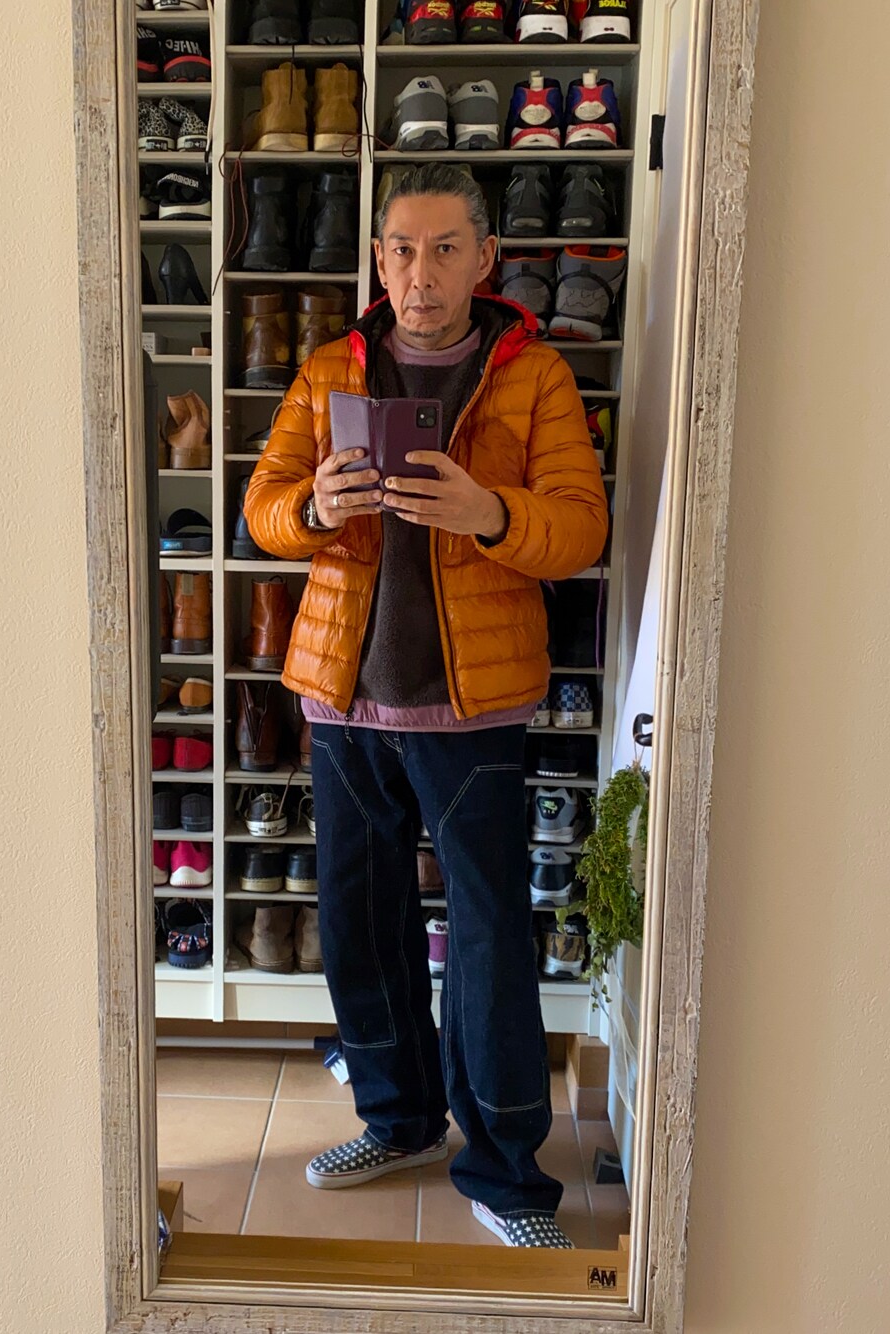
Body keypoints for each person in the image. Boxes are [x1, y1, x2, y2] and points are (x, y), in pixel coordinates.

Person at [244, 163, 607, 1250]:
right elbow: (263, 509)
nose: (420, 272)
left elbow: (580, 527)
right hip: (342, 701)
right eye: (401, 248)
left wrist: (489, 511)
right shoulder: (328, 369)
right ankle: (397, 1120)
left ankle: (505, 1173)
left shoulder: (535, 376)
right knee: (361, 924)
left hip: (475, 710)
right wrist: (314, 506)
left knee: (489, 938)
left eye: (445, 248)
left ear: (485, 258)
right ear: (377, 259)